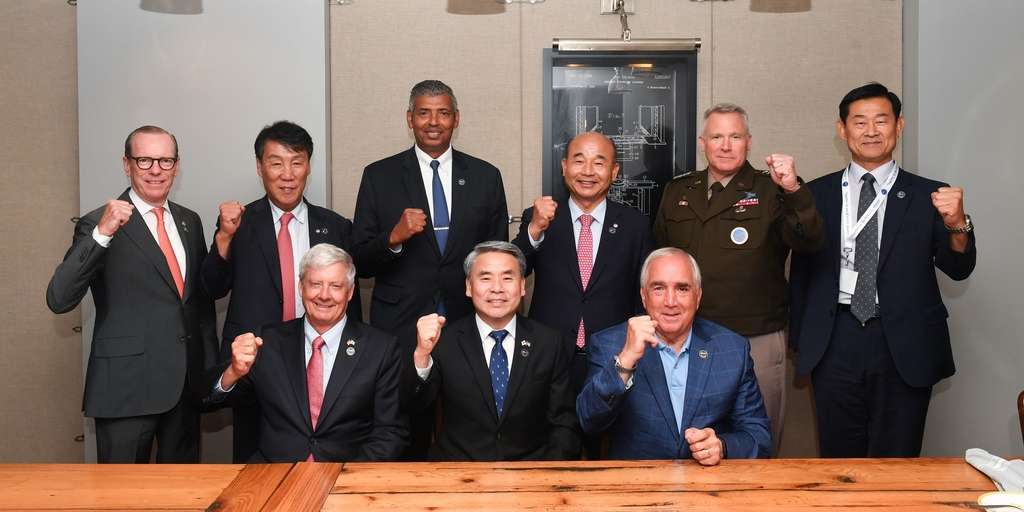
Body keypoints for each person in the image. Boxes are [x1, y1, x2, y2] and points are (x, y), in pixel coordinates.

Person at [789, 83, 977, 458]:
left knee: (899, 455)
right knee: (838, 457)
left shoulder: (931, 196)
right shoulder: (815, 194)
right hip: (834, 337)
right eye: (859, 122)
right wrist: (802, 338)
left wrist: (958, 223)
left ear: (899, 126)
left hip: (903, 341)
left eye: (881, 120)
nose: (871, 131)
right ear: (843, 130)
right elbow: (801, 271)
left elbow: (958, 268)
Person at [351, 80, 509, 460]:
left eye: (442, 112)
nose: (433, 121)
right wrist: (393, 237)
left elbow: (498, 255)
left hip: (468, 319)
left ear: (456, 119)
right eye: (423, 112)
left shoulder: (486, 176)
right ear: (410, 118)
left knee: (470, 418)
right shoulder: (379, 175)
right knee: (406, 427)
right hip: (401, 324)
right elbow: (358, 260)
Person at [653, 103, 823, 454]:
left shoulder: (771, 188)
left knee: (756, 443)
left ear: (749, 142)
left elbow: (809, 241)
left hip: (754, 337)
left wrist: (793, 190)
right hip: (688, 337)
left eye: (735, 136)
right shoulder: (678, 191)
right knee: (689, 441)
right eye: (717, 136)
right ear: (703, 142)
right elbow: (659, 259)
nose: (725, 145)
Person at [46, 126, 217, 463]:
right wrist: (101, 234)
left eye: (165, 160)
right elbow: (59, 298)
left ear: (177, 165)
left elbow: (198, 304)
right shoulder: (98, 222)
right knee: (120, 497)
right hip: (126, 391)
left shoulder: (190, 222)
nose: (156, 169)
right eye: (145, 160)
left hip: (183, 388)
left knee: (182, 495)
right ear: (127, 164)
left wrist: (207, 371)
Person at [199, 120, 361, 463]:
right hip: (255, 363)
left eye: (297, 162)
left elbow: (350, 302)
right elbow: (210, 289)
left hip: (321, 359)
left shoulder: (334, 226)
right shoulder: (239, 223)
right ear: (259, 167)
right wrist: (224, 237)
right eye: (276, 163)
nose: (287, 174)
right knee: (254, 462)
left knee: (322, 454)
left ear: (308, 167)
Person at [512, 131, 654, 458]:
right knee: (551, 447)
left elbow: (643, 296)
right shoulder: (542, 217)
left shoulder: (635, 225)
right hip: (550, 355)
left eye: (599, 162)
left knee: (608, 448)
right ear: (564, 167)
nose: (587, 171)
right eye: (578, 160)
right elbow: (513, 273)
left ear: (615, 172)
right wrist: (533, 230)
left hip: (611, 359)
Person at [196, 244, 406, 462]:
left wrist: (346, 479)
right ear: (301, 288)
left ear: (350, 292)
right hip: (273, 475)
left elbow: (391, 432)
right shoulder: (268, 342)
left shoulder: (380, 348)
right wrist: (233, 371)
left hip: (345, 480)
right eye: (315, 284)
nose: (324, 295)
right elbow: (202, 400)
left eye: (335, 286)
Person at [576, 248, 770, 463]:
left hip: (709, 484)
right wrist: (625, 361)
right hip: (639, 484)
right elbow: (589, 422)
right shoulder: (610, 343)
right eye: (658, 288)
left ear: (698, 297)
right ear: (643, 296)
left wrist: (723, 447)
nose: (670, 301)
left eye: (682, 289)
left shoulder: (732, 349)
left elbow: (759, 437)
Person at [400, 241, 579, 461]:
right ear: (468, 286)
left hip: (529, 473)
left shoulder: (549, 342)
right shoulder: (443, 342)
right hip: (458, 472)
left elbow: (563, 423)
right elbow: (413, 407)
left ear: (522, 285)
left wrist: (546, 475)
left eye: (507, 278)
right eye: (485, 278)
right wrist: (421, 355)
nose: (497, 288)